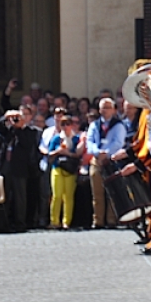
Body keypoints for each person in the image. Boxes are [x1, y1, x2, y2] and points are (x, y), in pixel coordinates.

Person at [86, 97, 127, 228]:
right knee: (96, 193)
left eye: (108, 107)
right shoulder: (94, 125)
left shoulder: (119, 125)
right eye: (103, 107)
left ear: (114, 109)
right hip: (96, 160)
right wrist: (98, 152)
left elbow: (118, 142)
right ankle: (97, 220)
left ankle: (111, 219)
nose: (105, 110)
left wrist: (106, 153)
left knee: (112, 192)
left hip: (111, 160)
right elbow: (90, 141)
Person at [0, 107, 38, 232]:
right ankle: (4, 223)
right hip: (6, 165)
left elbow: (26, 144)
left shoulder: (30, 131)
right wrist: (5, 117)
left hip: (20, 167)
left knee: (20, 197)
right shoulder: (8, 130)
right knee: (3, 195)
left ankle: (20, 223)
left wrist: (19, 127)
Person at [48, 116, 83, 229]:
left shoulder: (76, 139)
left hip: (70, 170)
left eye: (68, 124)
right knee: (56, 195)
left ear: (72, 125)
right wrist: (58, 151)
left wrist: (67, 153)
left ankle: (66, 222)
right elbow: (49, 155)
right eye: (63, 124)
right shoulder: (56, 139)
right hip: (57, 168)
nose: (65, 126)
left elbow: (78, 154)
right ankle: (54, 221)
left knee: (68, 196)